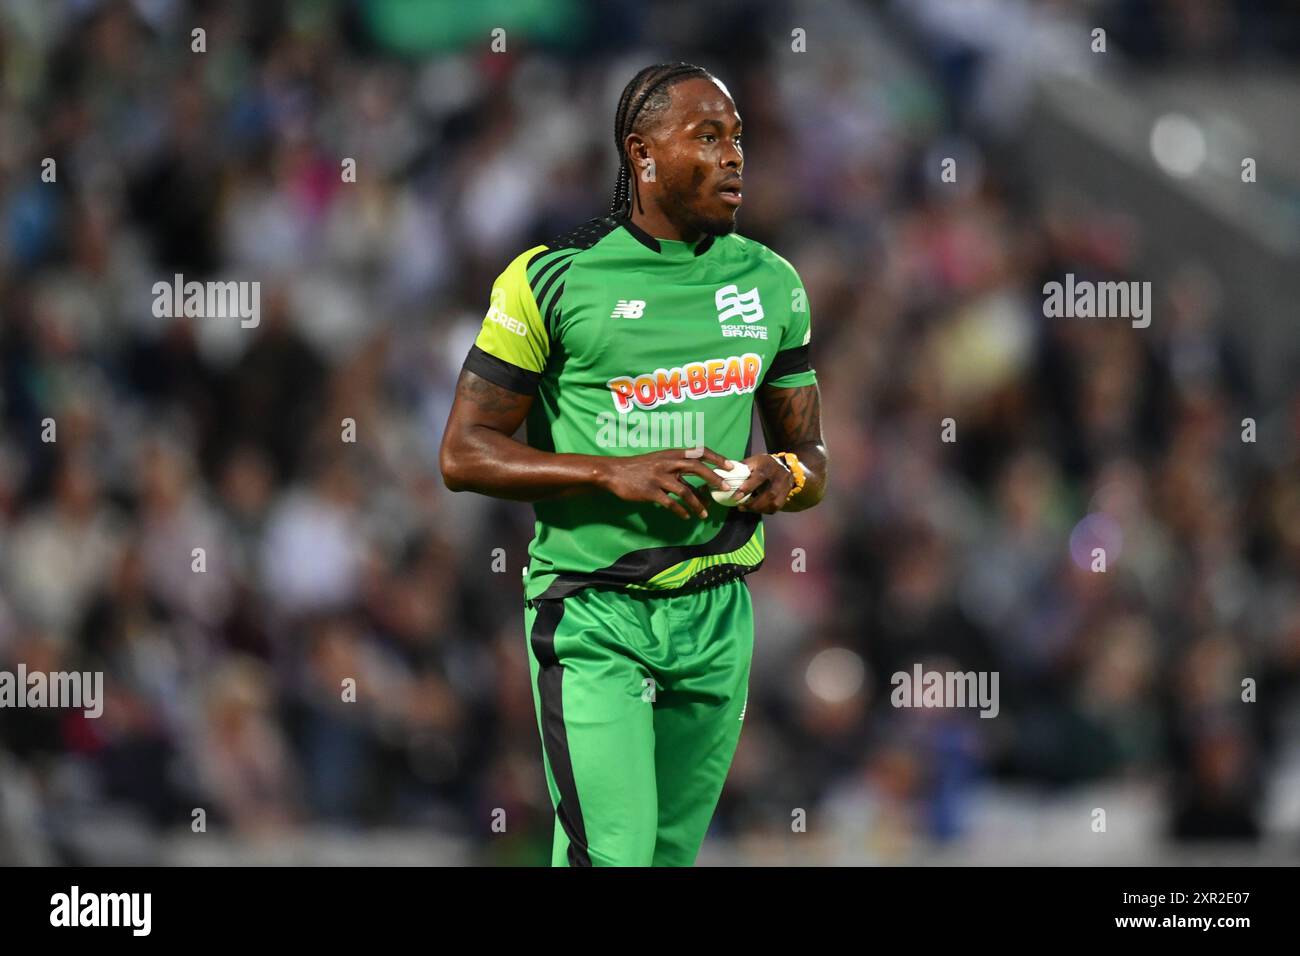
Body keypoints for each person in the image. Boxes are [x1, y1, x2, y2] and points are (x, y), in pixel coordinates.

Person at [440, 62, 829, 866]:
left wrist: (780, 478)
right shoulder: (550, 278)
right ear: (642, 154)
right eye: (708, 136)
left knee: (663, 858)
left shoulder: (773, 283)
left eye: (739, 139)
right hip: (593, 609)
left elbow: (811, 455)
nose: (734, 158)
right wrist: (607, 471)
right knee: (613, 856)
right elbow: (463, 452)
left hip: (720, 611)